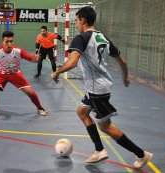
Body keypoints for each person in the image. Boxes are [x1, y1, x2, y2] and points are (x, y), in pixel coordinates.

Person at [51, 7, 153, 169]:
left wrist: (57, 72)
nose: (76, 24)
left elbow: (73, 62)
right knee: (82, 111)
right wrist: (125, 77)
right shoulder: (102, 37)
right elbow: (123, 62)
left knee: (106, 127)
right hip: (100, 86)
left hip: (96, 90)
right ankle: (99, 149)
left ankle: (141, 154)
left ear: (83, 20)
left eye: (76, 20)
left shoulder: (81, 38)